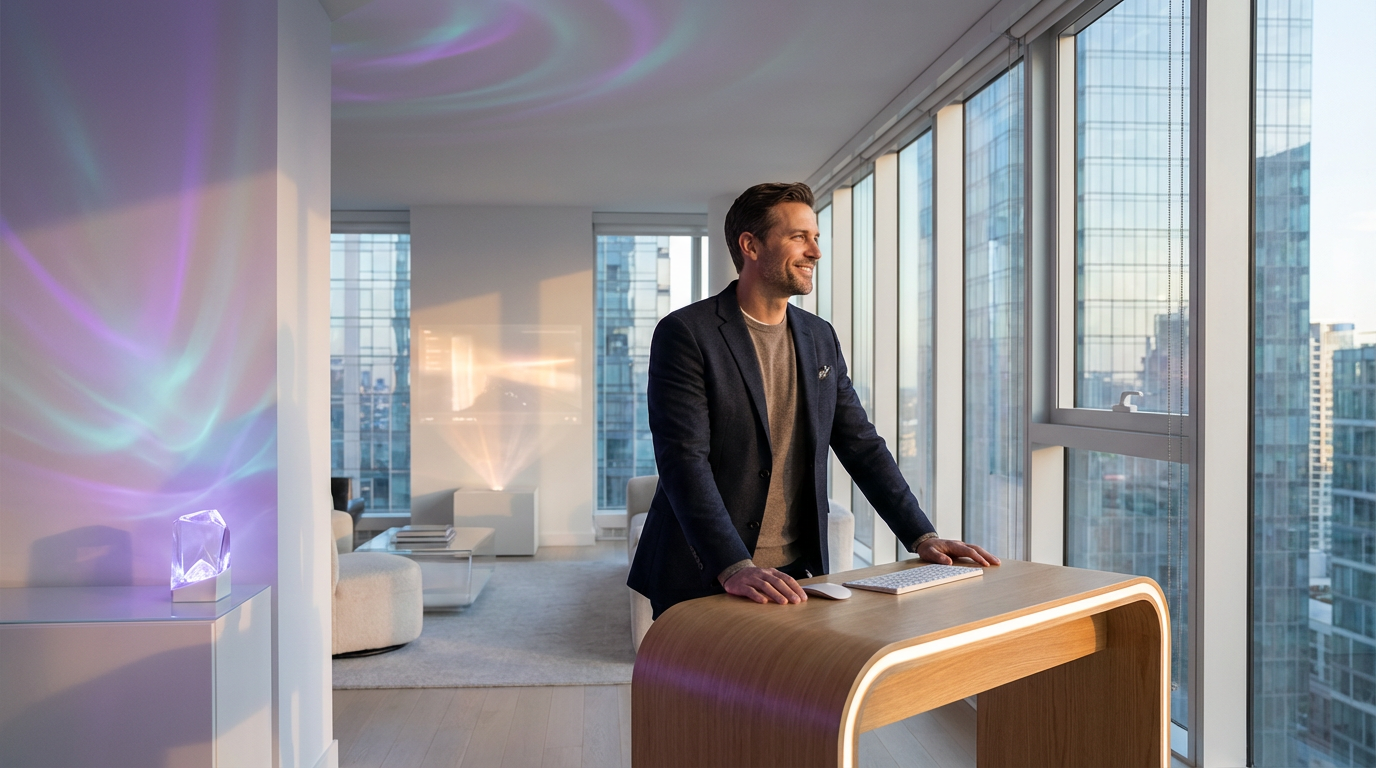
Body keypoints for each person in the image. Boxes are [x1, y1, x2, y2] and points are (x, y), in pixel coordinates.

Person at [627, 182, 999, 618]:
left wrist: (922, 536)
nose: (816, 252)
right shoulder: (686, 333)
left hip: (797, 574)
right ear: (750, 245)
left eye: (816, 237)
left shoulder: (820, 336)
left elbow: (861, 444)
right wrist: (733, 566)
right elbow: (684, 461)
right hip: (704, 571)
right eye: (799, 237)